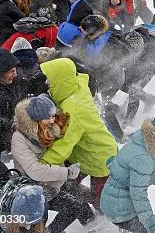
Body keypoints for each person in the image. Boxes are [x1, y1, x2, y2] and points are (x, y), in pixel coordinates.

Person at [39, 58, 118, 210]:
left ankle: (108, 224)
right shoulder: (77, 87)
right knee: (68, 186)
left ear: (61, 81)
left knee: (101, 202)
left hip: (100, 158)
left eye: (50, 79)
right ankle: (86, 209)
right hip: (87, 152)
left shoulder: (72, 109)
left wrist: (41, 164)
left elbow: (63, 145)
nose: (46, 82)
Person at [11, 95, 95, 233]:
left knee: (81, 205)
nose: (52, 121)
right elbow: (35, 171)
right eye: (48, 118)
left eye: (53, 116)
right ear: (35, 120)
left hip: (56, 180)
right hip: (35, 189)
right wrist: (67, 172)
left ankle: (95, 226)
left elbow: (73, 127)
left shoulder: (51, 122)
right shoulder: (19, 139)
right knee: (39, 224)